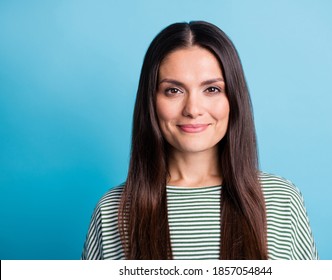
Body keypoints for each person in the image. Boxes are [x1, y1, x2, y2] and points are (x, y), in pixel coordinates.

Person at [81, 21, 318, 260]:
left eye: (212, 89)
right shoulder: (113, 209)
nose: (193, 109)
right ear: (151, 102)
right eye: (173, 90)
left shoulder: (281, 200)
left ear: (233, 98)